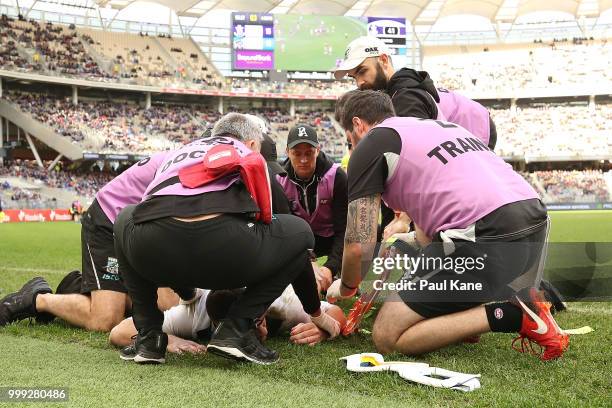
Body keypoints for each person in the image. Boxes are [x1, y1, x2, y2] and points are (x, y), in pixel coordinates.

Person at [328, 90, 569, 361]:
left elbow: (359, 245)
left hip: (487, 235)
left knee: (387, 336)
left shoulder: (372, 143)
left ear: (358, 125)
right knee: (429, 261)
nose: (352, 146)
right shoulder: (436, 128)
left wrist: (346, 287)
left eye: (350, 139)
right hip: (533, 223)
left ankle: (514, 315)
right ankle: (470, 313)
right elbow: (428, 235)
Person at [113, 113, 340, 365]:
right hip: (222, 254)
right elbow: (270, 223)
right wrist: (315, 312)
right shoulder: (248, 153)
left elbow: (156, 210)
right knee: (299, 231)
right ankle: (237, 327)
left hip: (152, 250)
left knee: (124, 217)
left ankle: (149, 337)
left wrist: (186, 291)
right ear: (253, 144)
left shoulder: (179, 152)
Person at [0, 152, 179, 332]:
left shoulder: (188, 159)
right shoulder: (184, 167)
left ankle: (78, 288)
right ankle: (36, 299)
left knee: (168, 304)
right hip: (109, 219)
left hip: (138, 223)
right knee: (107, 320)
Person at [334, 36, 497, 149]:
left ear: (383, 60)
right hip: (475, 123)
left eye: (362, 71)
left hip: (476, 129)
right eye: (354, 77)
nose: (359, 82)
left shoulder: (404, 95)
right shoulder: (401, 88)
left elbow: (416, 150)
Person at [110, 285, 347, 357]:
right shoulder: (194, 313)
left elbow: (337, 313)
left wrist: (322, 329)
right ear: (213, 323)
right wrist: (169, 340)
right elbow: (119, 331)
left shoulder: (281, 300)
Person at [276, 124, 348, 292]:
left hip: (330, 237)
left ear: (318, 150)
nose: (303, 160)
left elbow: (344, 229)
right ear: (287, 151)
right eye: (297, 153)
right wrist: (308, 259)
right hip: (299, 239)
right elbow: (285, 231)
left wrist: (330, 267)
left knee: (366, 233)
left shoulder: (337, 176)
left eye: (309, 153)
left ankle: (352, 281)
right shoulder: (279, 179)